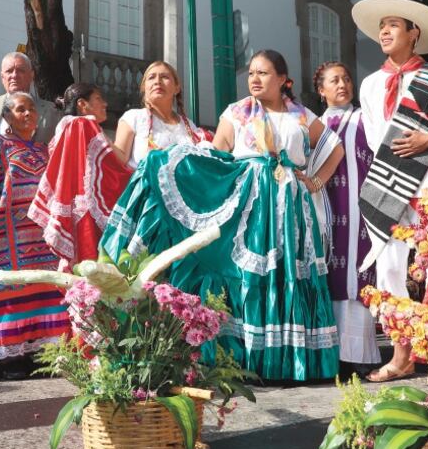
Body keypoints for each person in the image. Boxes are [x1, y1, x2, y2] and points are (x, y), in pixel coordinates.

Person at [102, 49, 345, 382]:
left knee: (290, 273)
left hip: (292, 206)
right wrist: (174, 164)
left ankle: (294, 361)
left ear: (282, 80)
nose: (255, 79)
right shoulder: (237, 112)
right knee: (252, 276)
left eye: (263, 73)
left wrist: (316, 181)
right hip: (252, 204)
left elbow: (335, 147)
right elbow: (217, 156)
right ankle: (253, 362)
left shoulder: (301, 115)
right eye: (252, 74)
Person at [351, 0, 428, 382]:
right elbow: (374, 136)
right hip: (387, 180)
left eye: (394, 25)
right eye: (382, 25)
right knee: (389, 267)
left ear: (415, 33)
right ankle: (401, 354)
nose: (385, 31)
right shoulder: (370, 83)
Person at [0, 92, 70, 379]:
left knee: (42, 291)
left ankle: (39, 354)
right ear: (7, 117)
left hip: (40, 239)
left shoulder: (43, 150)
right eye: (20, 110)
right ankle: (9, 358)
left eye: (32, 109)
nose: (28, 114)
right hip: (4, 234)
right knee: (10, 292)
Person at [313, 61, 381, 376]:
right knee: (329, 275)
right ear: (321, 90)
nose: (342, 84)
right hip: (326, 210)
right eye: (334, 80)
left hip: (361, 213)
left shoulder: (367, 119)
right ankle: (331, 357)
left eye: (346, 78)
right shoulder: (312, 125)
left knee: (360, 276)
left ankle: (361, 355)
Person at [28, 83, 132, 266]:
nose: (105, 104)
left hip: (74, 204)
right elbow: (110, 167)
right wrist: (139, 176)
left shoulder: (66, 128)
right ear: (82, 104)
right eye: (99, 98)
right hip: (86, 208)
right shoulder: (84, 124)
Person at [113, 61, 207, 168]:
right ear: (144, 88)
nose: (157, 81)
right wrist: (95, 130)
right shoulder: (133, 117)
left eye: (164, 77)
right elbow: (119, 158)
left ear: (177, 88)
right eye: (151, 77)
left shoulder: (189, 126)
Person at [0, 52, 61, 146]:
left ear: (32, 75)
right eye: (9, 71)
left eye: (21, 70)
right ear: (2, 77)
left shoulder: (52, 110)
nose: (14, 75)